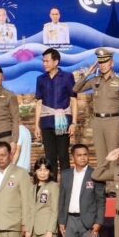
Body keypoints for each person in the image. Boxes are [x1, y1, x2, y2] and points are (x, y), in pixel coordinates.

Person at [58, 144, 106, 237]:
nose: (83, 158)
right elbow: (62, 199)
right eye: (79, 155)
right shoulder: (66, 175)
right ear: (73, 157)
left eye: (85, 154)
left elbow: (101, 201)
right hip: (70, 220)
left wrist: (98, 223)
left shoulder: (95, 174)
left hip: (89, 223)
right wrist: (61, 222)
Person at [72, 48, 119, 165]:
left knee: (113, 157)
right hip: (97, 122)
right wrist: (87, 73)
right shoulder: (94, 81)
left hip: (113, 121)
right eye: (100, 62)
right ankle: (102, 177)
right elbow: (75, 89)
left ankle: (114, 177)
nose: (102, 65)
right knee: (101, 158)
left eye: (105, 62)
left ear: (112, 63)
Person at [33, 47, 77, 176]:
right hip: (46, 123)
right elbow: (39, 102)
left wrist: (74, 123)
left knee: (63, 156)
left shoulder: (67, 77)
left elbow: (73, 100)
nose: (44, 64)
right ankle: (51, 185)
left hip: (63, 122)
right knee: (50, 157)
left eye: (47, 61)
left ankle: (66, 186)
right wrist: (36, 125)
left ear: (56, 62)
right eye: (43, 61)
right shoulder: (40, 79)